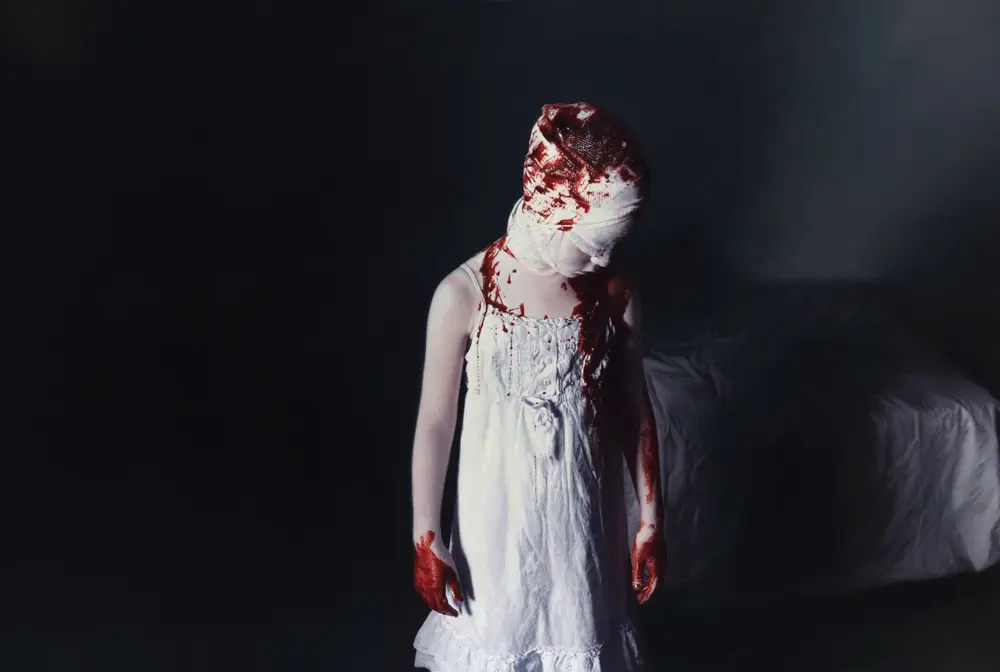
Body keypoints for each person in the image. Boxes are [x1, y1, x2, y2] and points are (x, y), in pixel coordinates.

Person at [410, 102, 665, 672]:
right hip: (495, 530)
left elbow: (635, 412)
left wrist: (651, 521)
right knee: (502, 635)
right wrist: (427, 536)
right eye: (592, 243)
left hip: (583, 526)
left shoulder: (614, 295)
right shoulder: (466, 294)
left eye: (614, 245)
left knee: (578, 628)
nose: (602, 257)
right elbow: (436, 422)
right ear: (550, 207)